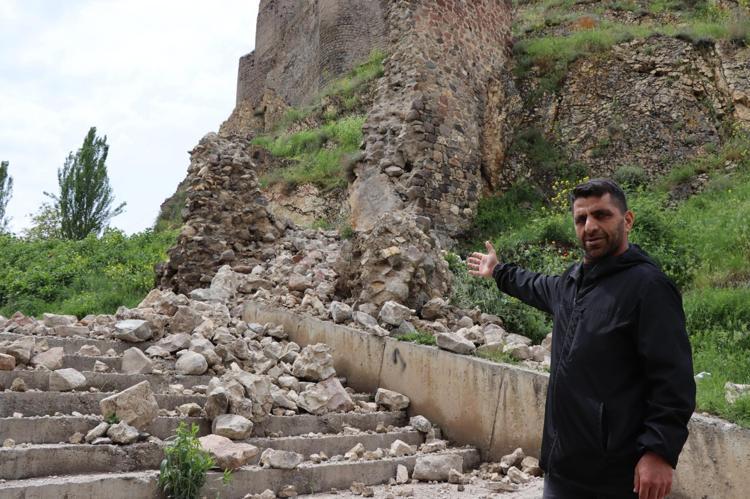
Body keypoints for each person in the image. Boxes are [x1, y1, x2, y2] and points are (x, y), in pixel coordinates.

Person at [467, 178, 696, 499]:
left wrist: (659, 451)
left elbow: (674, 380)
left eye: (602, 215)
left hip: (614, 477)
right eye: (581, 219)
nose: (590, 226)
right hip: (562, 466)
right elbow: (534, 284)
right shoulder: (572, 283)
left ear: (627, 220)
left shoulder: (649, 288)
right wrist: (498, 271)